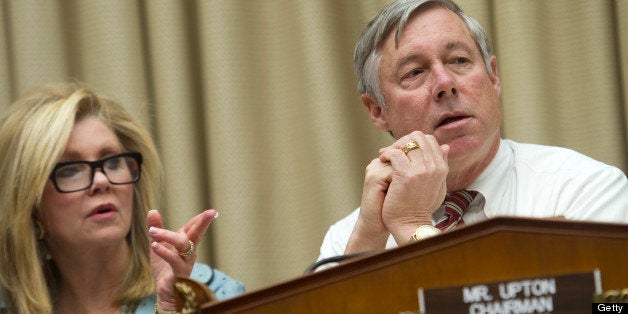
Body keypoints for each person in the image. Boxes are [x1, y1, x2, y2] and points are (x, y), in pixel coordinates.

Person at [317, 0, 628, 263]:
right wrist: (370, 235)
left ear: (493, 77)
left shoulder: (583, 189)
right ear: (377, 110)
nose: (444, 83)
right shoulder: (348, 239)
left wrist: (412, 227)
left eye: (459, 60)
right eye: (414, 72)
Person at [0, 82, 244, 313]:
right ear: (30, 204)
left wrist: (173, 307)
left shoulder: (212, 294)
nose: (102, 181)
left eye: (113, 161)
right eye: (71, 169)